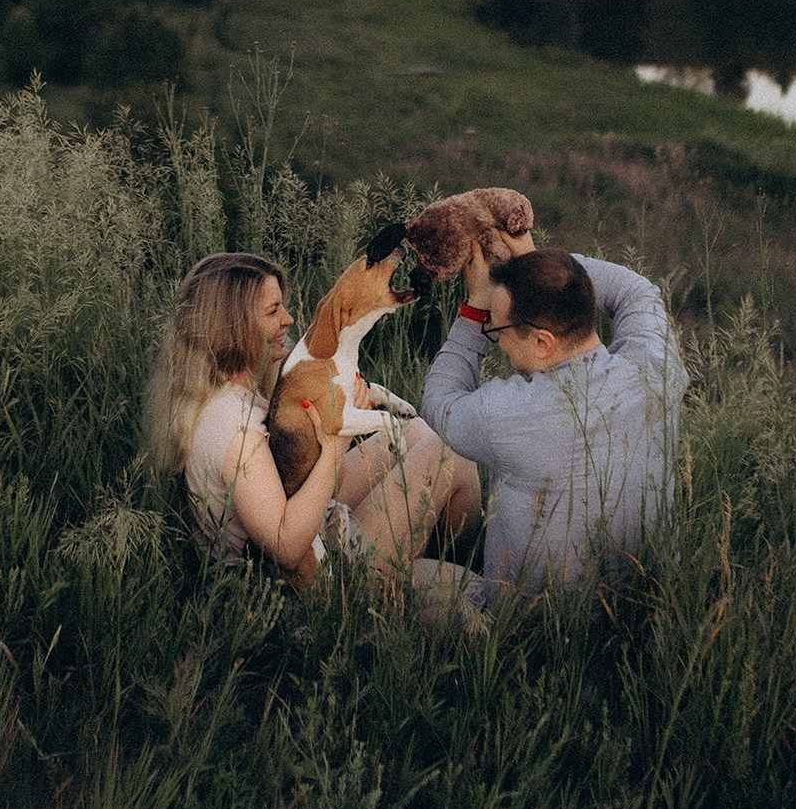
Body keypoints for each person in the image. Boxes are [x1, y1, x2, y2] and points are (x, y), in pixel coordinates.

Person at [147, 251, 484, 609]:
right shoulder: (235, 426)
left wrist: (342, 413)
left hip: (314, 523)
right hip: (303, 585)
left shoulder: (227, 393)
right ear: (234, 327)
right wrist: (337, 437)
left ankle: (427, 551)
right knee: (446, 453)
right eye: (272, 311)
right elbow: (288, 548)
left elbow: (295, 475)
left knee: (416, 432)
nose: (289, 320)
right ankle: (448, 560)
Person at [421, 236, 686, 604]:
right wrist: (543, 265)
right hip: (644, 610)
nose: (497, 340)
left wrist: (475, 310)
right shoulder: (658, 370)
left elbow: (438, 403)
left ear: (543, 343)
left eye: (497, 330)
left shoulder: (509, 414)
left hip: (523, 629)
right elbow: (636, 290)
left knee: (403, 574)